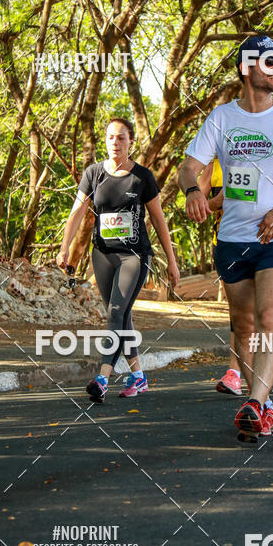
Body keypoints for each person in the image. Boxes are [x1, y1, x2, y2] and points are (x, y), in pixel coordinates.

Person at [179, 35, 273, 441]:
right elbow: (188, 168)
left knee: (270, 318)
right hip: (233, 237)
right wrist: (194, 191)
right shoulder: (222, 118)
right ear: (247, 69)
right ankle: (260, 404)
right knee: (243, 325)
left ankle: (256, 401)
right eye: (270, 62)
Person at [57, 117, 180, 401]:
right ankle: (138, 377)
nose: (115, 142)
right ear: (105, 140)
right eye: (111, 137)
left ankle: (102, 378)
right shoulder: (93, 173)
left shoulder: (142, 177)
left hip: (134, 256)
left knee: (115, 312)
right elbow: (77, 212)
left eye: (121, 137)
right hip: (102, 254)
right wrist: (65, 248)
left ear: (131, 142)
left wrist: (171, 262)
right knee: (120, 316)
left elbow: (159, 221)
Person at [197, 158, 242, 396]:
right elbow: (199, 207)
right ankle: (234, 373)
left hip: (266, 241)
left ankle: (259, 371)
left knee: (264, 313)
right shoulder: (214, 166)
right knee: (238, 310)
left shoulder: (264, 158)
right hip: (226, 244)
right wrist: (219, 200)